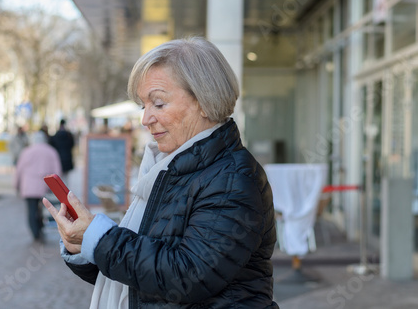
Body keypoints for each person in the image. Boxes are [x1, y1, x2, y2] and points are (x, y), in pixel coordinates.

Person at [43, 37, 278, 308]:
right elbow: (137, 278)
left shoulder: (232, 178)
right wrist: (82, 246)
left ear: (204, 101)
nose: (145, 119)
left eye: (159, 103)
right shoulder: (165, 169)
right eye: (144, 106)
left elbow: (185, 276)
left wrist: (99, 238)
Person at [15, 131, 62, 242]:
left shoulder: (26, 152)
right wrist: (57, 187)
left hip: (29, 186)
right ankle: (41, 227)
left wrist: (16, 185)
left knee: (31, 210)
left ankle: (35, 232)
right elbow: (57, 171)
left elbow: (19, 170)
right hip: (45, 186)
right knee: (45, 209)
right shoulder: (51, 151)